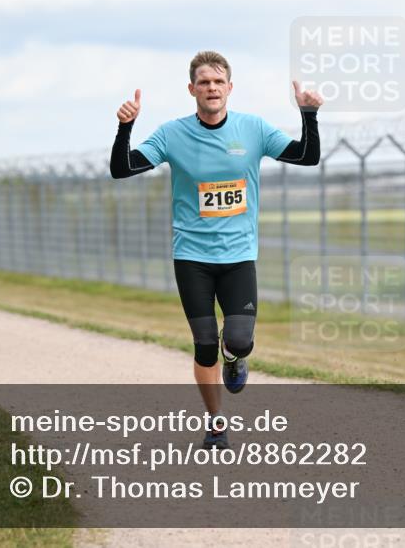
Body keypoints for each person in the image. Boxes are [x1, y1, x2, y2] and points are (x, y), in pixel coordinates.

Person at [109, 51, 322, 448]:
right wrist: (126, 128)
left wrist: (308, 114)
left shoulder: (253, 129)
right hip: (192, 255)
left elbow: (306, 157)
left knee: (238, 340)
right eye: (203, 82)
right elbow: (122, 169)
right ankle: (216, 424)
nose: (211, 88)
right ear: (192, 89)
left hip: (239, 255)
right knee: (204, 343)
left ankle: (236, 356)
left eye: (218, 81)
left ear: (229, 88)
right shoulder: (172, 134)